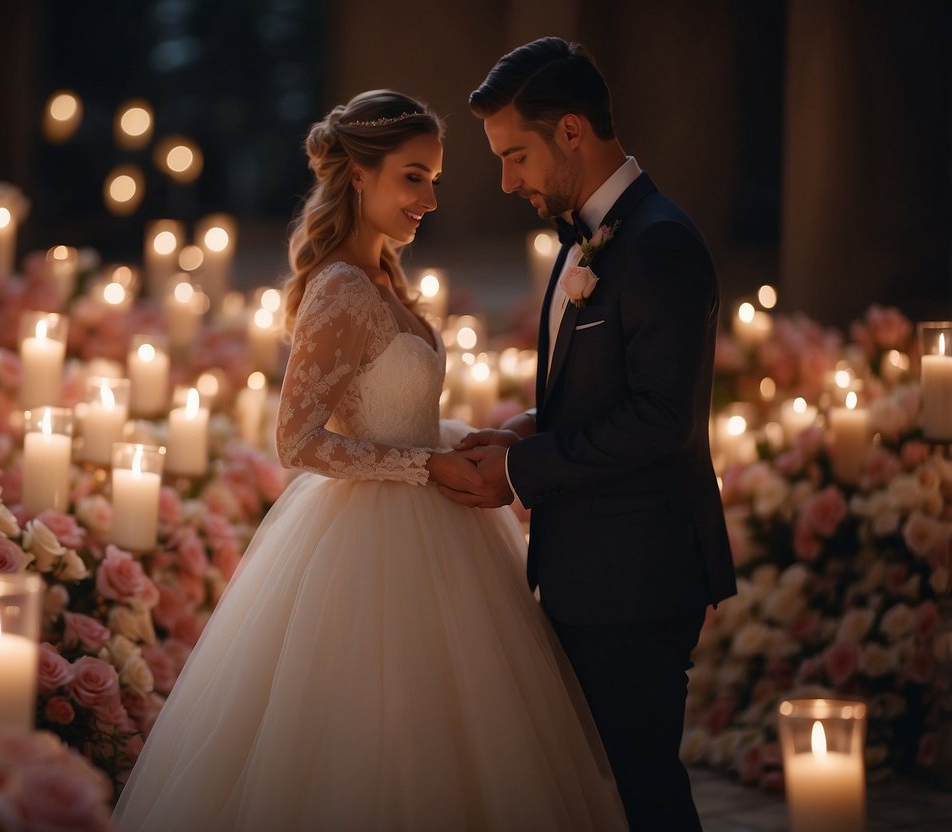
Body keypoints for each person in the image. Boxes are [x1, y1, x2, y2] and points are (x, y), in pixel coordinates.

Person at [113, 89, 627, 831]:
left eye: (435, 180)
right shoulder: (340, 289)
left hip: (441, 519)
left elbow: (400, 413)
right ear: (359, 174)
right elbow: (297, 441)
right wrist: (422, 468)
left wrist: (469, 442)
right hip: (371, 537)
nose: (429, 198)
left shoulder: (386, 277)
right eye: (412, 176)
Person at [442, 37, 737, 831]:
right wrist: (522, 433)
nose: (506, 181)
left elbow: (660, 419)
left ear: (571, 131)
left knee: (641, 792)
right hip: (589, 567)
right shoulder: (587, 236)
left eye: (515, 156)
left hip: (638, 572)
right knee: (595, 793)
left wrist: (521, 473)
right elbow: (604, 395)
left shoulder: (657, 242)